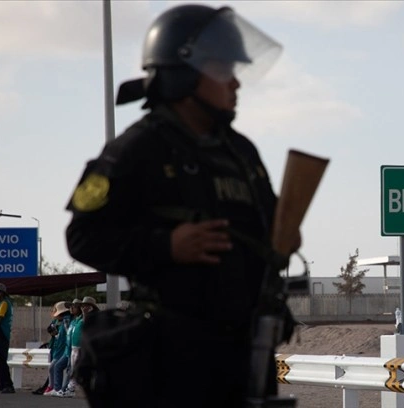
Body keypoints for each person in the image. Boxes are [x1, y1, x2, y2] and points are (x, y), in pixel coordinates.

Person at [65, 4, 298, 407]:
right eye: (224, 69)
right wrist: (165, 246)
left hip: (245, 355)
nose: (235, 84)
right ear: (184, 72)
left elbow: (268, 229)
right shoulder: (136, 149)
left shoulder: (240, 151)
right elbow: (83, 237)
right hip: (172, 361)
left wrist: (284, 237)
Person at [44, 301, 72, 397]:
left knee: (57, 367)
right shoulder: (61, 322)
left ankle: (58, 388)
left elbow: (67, 335)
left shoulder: (66, 320)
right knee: (56, 367)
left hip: (64, 349)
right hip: (61, 349)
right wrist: (55, 334)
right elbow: (60, 336)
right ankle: (57, 388)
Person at [0, 283, 15, 394]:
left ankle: (8, 385)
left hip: (2, 336)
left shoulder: (4, 304)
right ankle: (1, 384)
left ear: (1, 293)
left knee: (1, 360)